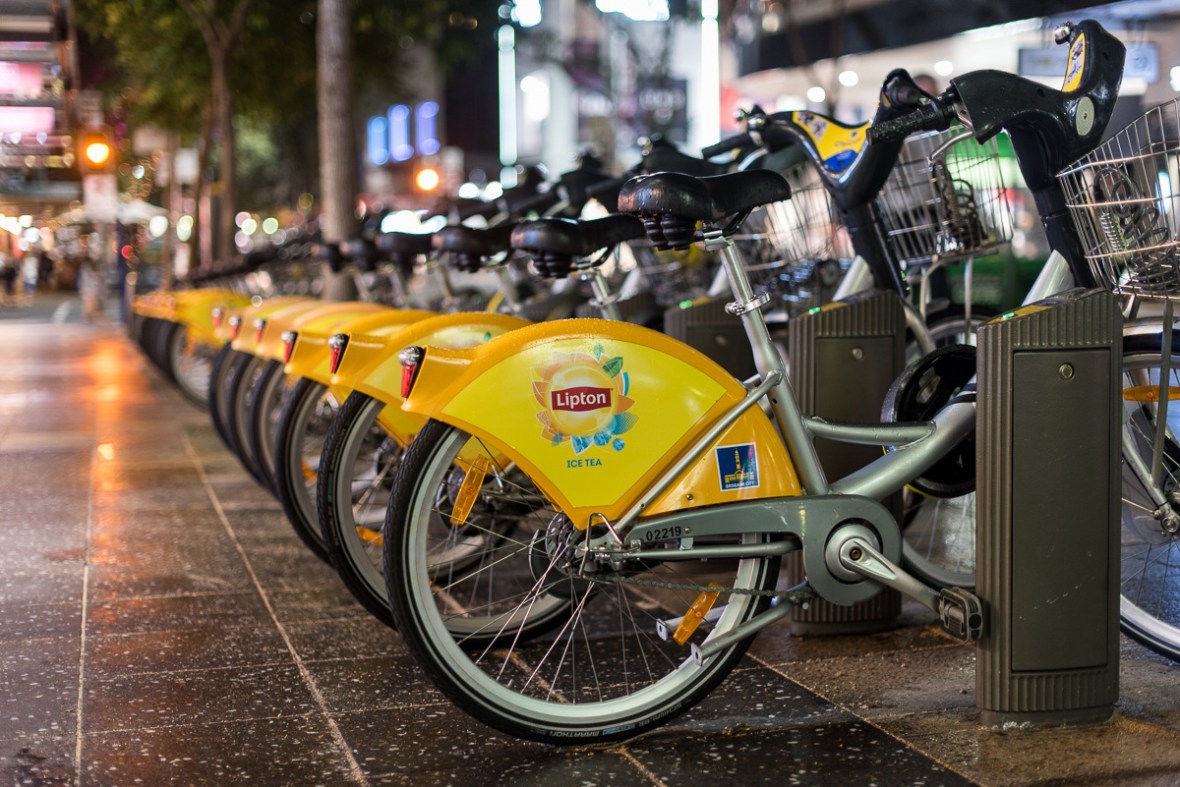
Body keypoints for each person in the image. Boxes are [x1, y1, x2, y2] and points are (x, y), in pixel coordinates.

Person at [77, 258, 102, 323]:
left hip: (89, 288)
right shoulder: (88, 269)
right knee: (90, 304)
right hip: (90, 289)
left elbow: (82, 280)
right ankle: (89, 317)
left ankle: (89, 316)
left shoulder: (87, 269)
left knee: (89, 304)